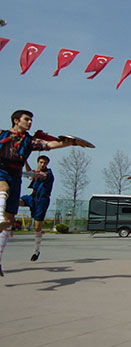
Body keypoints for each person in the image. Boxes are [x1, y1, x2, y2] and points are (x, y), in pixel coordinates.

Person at [0, 110, 78, 277]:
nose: (30, 123)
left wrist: (71, 143)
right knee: (3, 189)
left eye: (31, 120)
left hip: (22, 183)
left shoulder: (29, 141)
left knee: (9, 221)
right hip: (2, 171)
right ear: (16, 120)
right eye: (26, 119)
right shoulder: (2, 134)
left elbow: (49, 145)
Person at [18, 155, 54, 262]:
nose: (43, 164)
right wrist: (24, 161)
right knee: (16, 201)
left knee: (37, 227)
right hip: (33, 197)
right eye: (41, 162)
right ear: (38, 162)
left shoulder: (48, 174)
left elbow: (41, 175)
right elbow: (30, 173)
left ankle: (36, 250)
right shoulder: (35, 172)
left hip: (42, 201)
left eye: (45, 163)